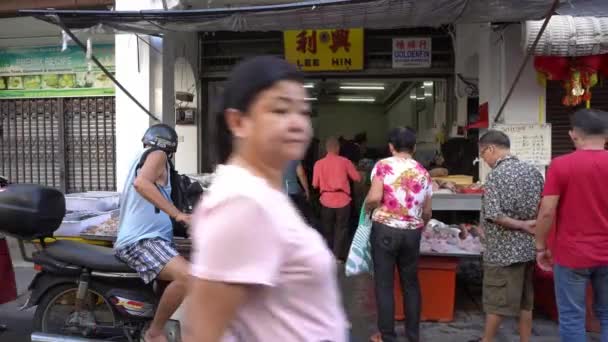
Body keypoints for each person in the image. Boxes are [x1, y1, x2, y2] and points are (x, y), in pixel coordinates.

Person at [184, 56, 347, 342]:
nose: (298, 123)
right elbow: (203, 333)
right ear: (238, 121)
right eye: (281, 109)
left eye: (304, 111)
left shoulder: (263, 193)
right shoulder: (241, 204)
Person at [535, 108, 608, 342]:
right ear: (606, 135)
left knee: (571, 317)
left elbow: (547, 212)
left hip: (572, 255)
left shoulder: (561, 165)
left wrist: (540, 246)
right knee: (607, 314)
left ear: (574, 134)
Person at [114, 124, 191, 342]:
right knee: (187, 276)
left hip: (153, 240)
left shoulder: (141, 158)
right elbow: (142, 184)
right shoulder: (158, 155)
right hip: (142, 241)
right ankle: (154, 332)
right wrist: (178, 215)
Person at [365, 127, 433, 342]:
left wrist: (368, 209)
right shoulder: (423, 172)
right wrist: (416, 223)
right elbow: (428, 212)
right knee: (411, 284)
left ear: (391, 146)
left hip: (386, 229)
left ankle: (387, 336)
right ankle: (413, 336)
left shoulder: (383, 166)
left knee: (384, 284)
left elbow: (375, 197)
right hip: (412, 232)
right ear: (414, 147)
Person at [477, 130, 544, 342]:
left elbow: (494, 214)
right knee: (526, 303)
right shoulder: (533, 172)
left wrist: (522, 225)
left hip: (502, 251)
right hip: (528, 249)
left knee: (496, 303)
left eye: (482, 154)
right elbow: (543, 207)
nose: (484, 160)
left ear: (491, 149)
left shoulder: (495, 176)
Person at [313, 137, 361, 261]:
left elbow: (314, 184)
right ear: (337, 148)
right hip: (343, 201)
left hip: (326, 201)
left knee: (327, 229)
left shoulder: (318, 164)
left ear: (326, 149)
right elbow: (357, 178)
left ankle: (328, 255)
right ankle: (338, 257)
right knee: (342, 229)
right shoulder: (345, 161)